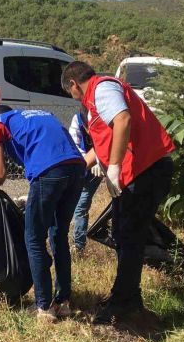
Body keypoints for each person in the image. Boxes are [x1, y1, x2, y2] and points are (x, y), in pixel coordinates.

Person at [60, 61, 176, 324]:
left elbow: (123, 119)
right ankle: (126, 298)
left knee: (129, 235)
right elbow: (100, 146)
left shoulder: (103, 89)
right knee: (124, 234)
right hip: (140, 173)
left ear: (73, 84)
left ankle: (125, 303)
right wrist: (74, 170)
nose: (73, 97)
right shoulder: (94, 102)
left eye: (71, 93)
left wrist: (113, 169)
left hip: (147, 171)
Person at [0, 105, 85, 322]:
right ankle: (63, 302)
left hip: (50, 172)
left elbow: (0, 173)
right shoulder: (39, 115)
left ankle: (44, 307)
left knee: (34, 239)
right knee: (58, 235)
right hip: (78, 169)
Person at [68, 110, 103, 255]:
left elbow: (109, 142)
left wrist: (100, 161)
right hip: (78, 168)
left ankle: (78, 245)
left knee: (81, 206)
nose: (89, 130)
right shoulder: (77, 120)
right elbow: (74, 146)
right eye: (87, 126)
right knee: (67, 204)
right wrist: (91, 159)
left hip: (97, 172)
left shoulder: (102, 120)